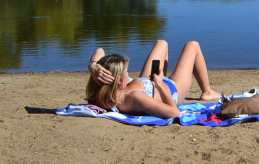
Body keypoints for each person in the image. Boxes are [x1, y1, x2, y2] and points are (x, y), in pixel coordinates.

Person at [86, 40, 221, 118]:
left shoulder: (102, 91)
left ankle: (161, 77)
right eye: (126, 72)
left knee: (162, 43)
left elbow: (100, 50)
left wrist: (93, 66)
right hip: (171, 90)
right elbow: (174, 112)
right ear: (119, 80)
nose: (128, 72)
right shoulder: (134, 97)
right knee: (192, 45)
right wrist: (160, 84)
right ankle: (207, 92)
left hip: (148, 82)